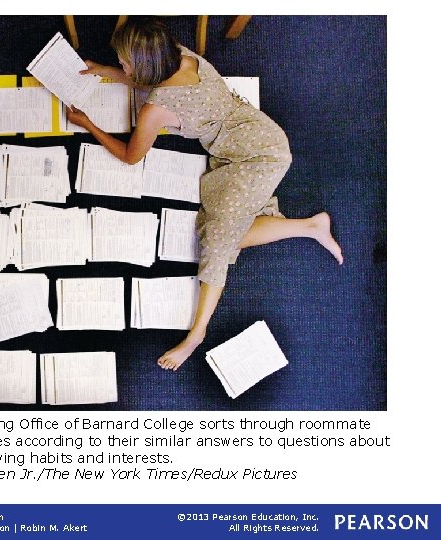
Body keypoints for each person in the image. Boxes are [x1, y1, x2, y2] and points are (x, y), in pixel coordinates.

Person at [66, 17, 343, 371]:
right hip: (261, 135)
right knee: (229, 233)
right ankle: (309, 226)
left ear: (142, 64)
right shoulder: (181, 55)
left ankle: (197, 333)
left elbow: (130, 157)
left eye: (123, 62)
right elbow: (144, 76)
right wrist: (104, 70)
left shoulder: (157, 108)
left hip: (253, 158)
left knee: (216, 242)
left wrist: (89, 124)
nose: (121, 66)